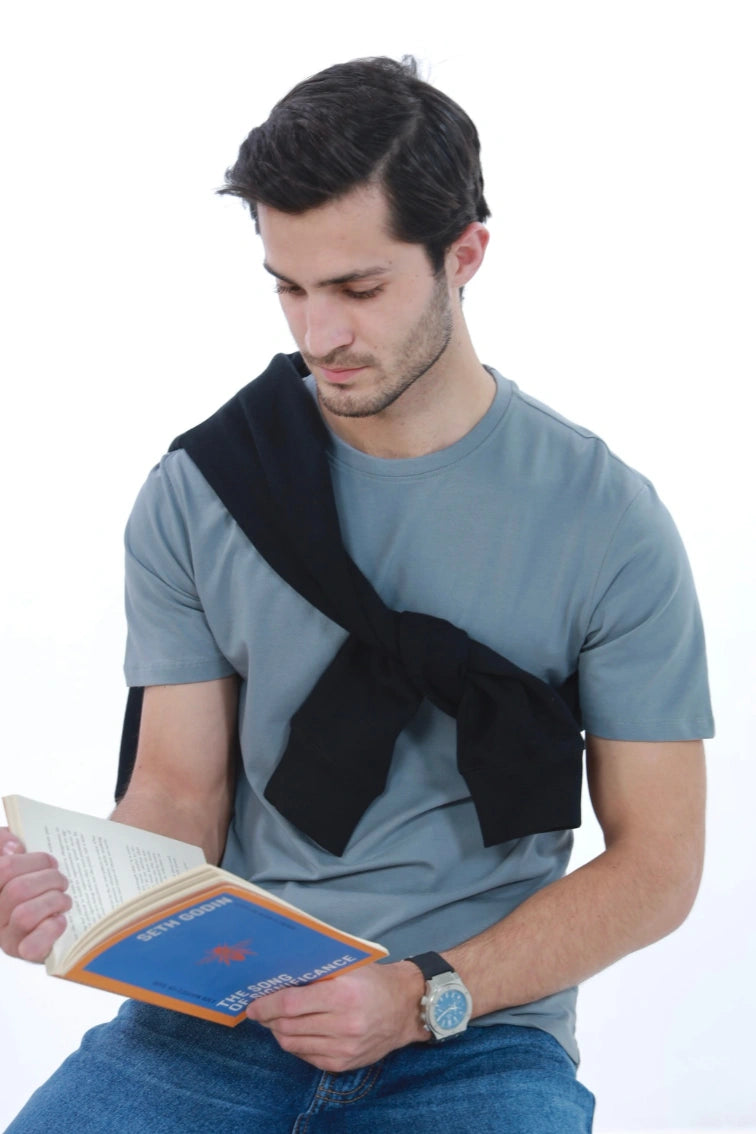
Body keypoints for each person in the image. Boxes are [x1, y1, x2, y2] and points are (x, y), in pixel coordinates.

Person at [0, 56, 712, 1133]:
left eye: (358, 290)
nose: (317, 334)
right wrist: (84, 900)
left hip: (477, 1031)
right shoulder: (206, 490)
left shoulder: (608, 523)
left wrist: (425, 997)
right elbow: (179, 796)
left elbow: (660, 864)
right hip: (220, 1013)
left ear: (464, 255)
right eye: (289, 288)